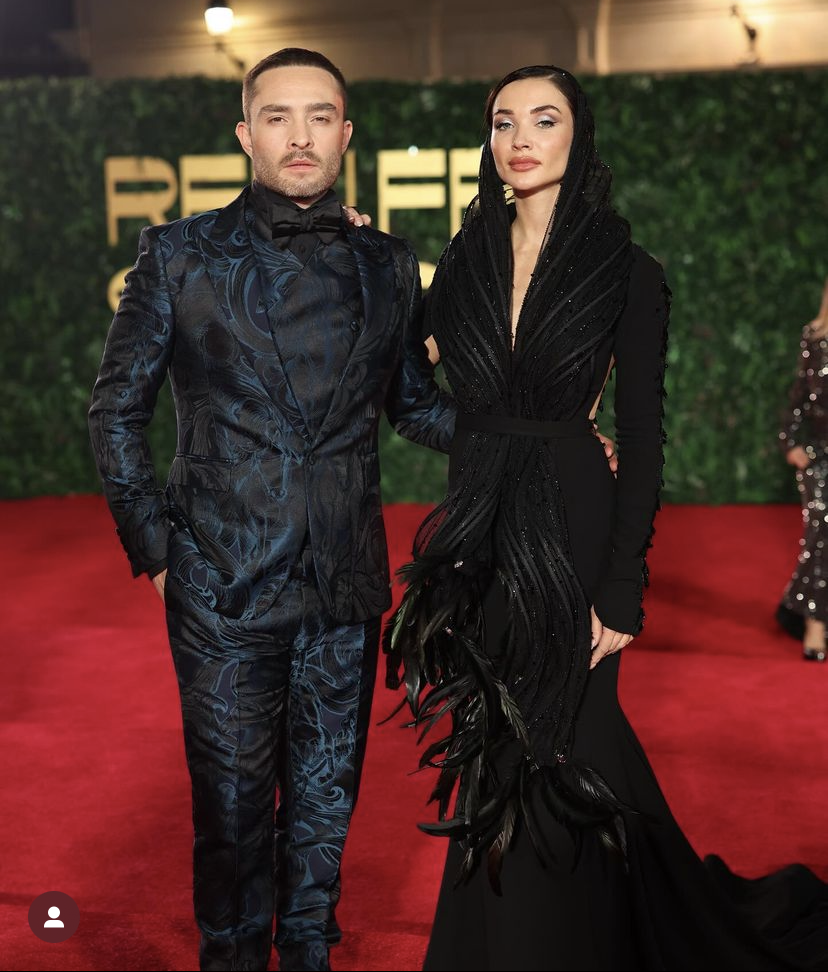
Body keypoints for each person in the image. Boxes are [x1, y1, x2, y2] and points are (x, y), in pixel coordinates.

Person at [385, 64, 828, 970]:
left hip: (573, 524)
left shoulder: (628, 270)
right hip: (478, 524)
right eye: (503, 121)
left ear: (578, 135)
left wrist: (624, 586)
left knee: (570, 735)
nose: (520, 138)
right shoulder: (464, 260)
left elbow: (644, 438)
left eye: (544, 119)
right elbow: (404, 379)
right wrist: (358, 252)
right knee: (496, 732)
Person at [87, 47, 456, 972]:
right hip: (220, 589)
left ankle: (309, 952)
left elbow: (414, 406)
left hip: (343, 588)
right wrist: (157, 551)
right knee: (233, 810)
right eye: (278, 117)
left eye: (319, 116)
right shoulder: (178, 253)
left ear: (345, 134)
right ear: (246, 134)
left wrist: (540, 434)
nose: (299, 136)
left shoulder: (388, 262)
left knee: (327, 805)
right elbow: (115, 410)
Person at [776, 278, 828, 661]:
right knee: (823, 525)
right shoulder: (815, 338)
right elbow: (800, 394)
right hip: (819, 453)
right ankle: (815, 621)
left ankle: (800, 601)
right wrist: (790, 441)